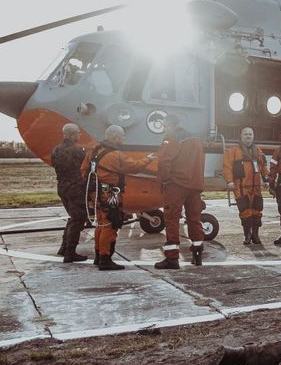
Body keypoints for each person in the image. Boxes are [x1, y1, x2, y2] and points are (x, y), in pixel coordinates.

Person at [81, 125, 151, 271]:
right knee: (110, 224)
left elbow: (83, 170)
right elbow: (133, 166)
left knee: (100, 223)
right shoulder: (115, 155)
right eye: (122, 136)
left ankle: (98, 256)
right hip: (109, 194)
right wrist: (147, 159)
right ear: (115, 137)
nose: (123, 139)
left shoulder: (93, 151)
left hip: (94, 193)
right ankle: (105, 259)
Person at [154, 115, 207, 269]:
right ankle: (197, 254)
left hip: (177, 184)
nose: (164, 128)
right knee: (194, 219)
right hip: (194, 185)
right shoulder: (196, 140)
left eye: (164, 125)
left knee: (172, 219)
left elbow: (164, 160)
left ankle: (172, 258)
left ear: (169, 125)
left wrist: (164, 180)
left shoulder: (171, 137)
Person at [50, 122, 88, 263]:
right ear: (71, 134)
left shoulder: (56, 150)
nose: (79, 135)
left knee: (72, 217)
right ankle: (70, 253)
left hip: (62, 187)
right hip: (75, 188)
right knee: (78, 219)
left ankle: (64, 248)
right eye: (78, 133)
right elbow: (86, 167)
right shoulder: (77, 150)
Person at [223, 126, 268, 246]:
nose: (248, 136)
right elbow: (227, 167)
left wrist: (266, 179)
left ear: (253, 136)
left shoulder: (258, 151)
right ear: (241, 136)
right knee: (245, 211)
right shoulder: (233, 151)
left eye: (250, 134)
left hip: (256, 186)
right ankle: (247, 235)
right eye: (246, 134)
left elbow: (263, 166)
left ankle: (255, 234)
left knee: (257, 210)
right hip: (241, 186)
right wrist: (229, 181)